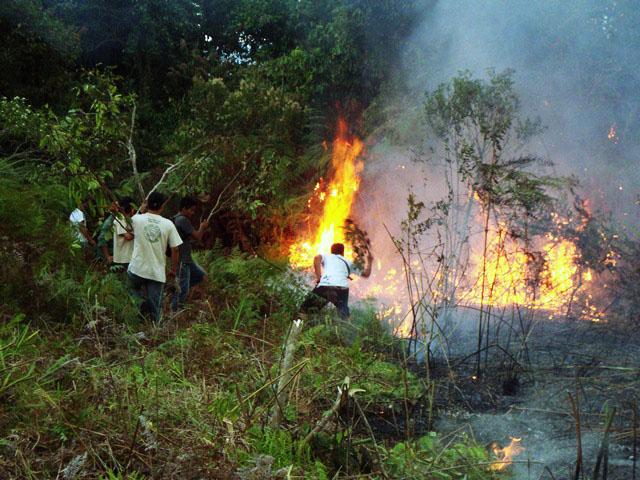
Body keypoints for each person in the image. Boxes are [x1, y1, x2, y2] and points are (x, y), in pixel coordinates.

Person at [127, 192, 182, 323]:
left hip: (137, 269)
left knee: (131, 288)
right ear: (162, 206)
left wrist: (141, 210)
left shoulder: (136, 219)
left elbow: (128, 231)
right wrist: (173, 271)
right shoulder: (168, 224)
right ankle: (156, 330)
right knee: (156, 307)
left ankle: (139, 305)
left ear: (147, 204)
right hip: (156, 272)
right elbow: (175, 249)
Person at [300, 243, 373, 319]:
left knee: (304, 310)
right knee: (344, 316)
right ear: (342, 252)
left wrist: (319, 277)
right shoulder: (349, 262)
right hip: (342, 289)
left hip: (326, 286)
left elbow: (316, 258)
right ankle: (347, 327)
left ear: (331, 251)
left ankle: (296, 328)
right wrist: (369, 261)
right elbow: (366, 274)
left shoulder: (327, 256)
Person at [171, 197, 209, 311]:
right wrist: (202, 227)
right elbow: (197, 237)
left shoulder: (175, 219)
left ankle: (175, 291)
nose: (192, 213)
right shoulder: (182, 220)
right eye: (191, 210)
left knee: (200, 275)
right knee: (184, 289)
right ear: (183, 208)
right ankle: (175, 309)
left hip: (186, 258)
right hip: (182, 260)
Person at [112, 197, 135, 268]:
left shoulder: (127, 219)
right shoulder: (120, 219)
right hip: (123, 257)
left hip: (128, 256)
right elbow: (128, 237)